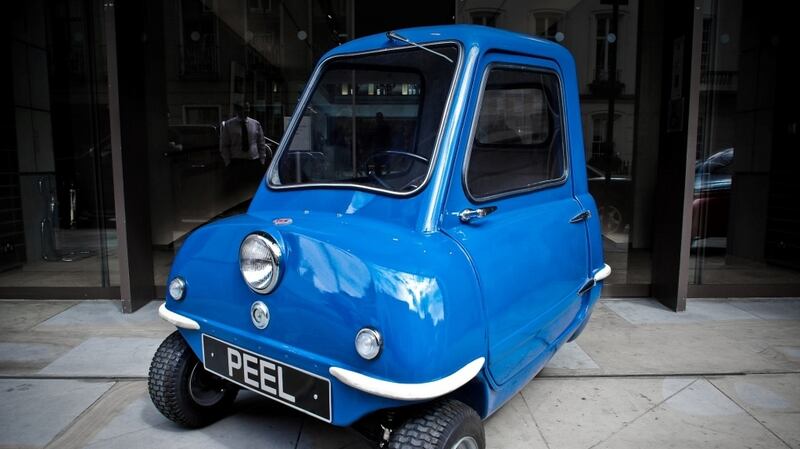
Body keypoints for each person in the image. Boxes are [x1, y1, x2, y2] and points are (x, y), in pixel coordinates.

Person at [219, 102, 271, 167]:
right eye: (244, 109)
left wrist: (262, 160)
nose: (246, 111)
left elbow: (261, 143)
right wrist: (228, 162)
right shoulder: (229, 125)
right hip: (236, 161)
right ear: (238, 110)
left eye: (248, 109)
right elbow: (224, 145)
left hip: (254, 161)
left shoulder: (255, 124)